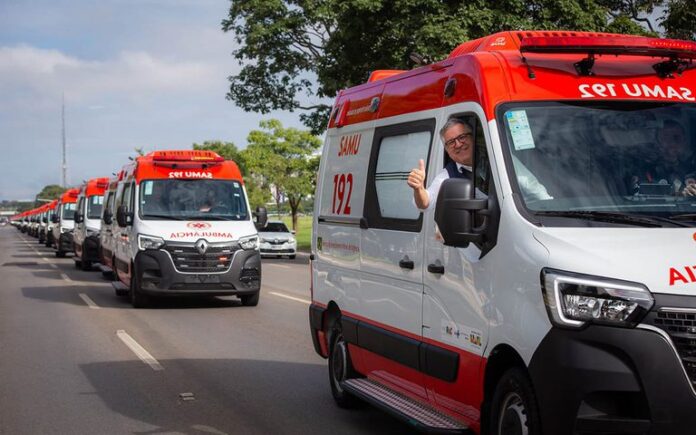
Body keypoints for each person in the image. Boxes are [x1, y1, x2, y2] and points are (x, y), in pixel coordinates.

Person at [407, 118, 475, 210]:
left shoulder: (493, 155)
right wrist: (419, 188)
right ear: (447, 150)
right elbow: (426, 202)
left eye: (462, 137)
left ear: (472, 137)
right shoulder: (447, 176)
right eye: (451, 142)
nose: (458, 144)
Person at [632, 120, 694, 196]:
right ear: (658, 142)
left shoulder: (691, 171)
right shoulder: (644, 170)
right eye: (666, 138)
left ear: (684, 142)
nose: (672, 143)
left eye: (676, 138)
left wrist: (690, 192)